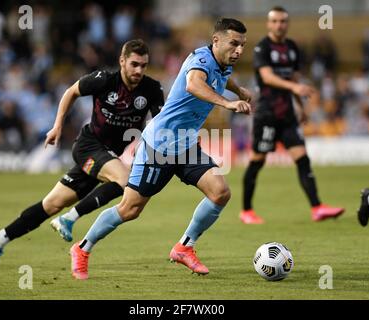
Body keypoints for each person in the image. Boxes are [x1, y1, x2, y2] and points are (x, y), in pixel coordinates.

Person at [69, 18, 253, 280]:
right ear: (216, 41)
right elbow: (194, 84)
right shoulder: (200, 61)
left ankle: (184, 248)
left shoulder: (222, 64)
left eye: (243, 45)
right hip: (160, 144)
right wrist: (228, 103)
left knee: (220, 192)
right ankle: (82, 248)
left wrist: (240, 90)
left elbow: (223, 77)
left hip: (186, 144)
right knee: (130, 209)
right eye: (234, 44)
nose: (239, 51)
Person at [0, 39, 164, 266]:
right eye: (134, 64)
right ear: (122, 61)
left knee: (51, 204)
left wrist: (147, 143)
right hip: (88, 147)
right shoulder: (104, 80)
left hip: (106, 156)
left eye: (144, 65)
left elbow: (159, 123)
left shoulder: (152, 89)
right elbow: (71, 92)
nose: (139, 70)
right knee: (126, 180)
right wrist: (57, 125)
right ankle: (70, 218)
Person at [240, 6, 344, 224]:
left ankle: (317, 207)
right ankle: (246, 211)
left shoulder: (292, 47)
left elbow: (295, 79)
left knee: (303, 159)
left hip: (287, 115)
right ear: (269, 24)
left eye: (283, 21)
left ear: (287, 24)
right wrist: (295, 89)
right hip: (267, 114)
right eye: (275, 21)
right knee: (257, 161)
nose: (279, 25)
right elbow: (267, 77)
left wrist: (300, 106)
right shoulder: (263, 48)